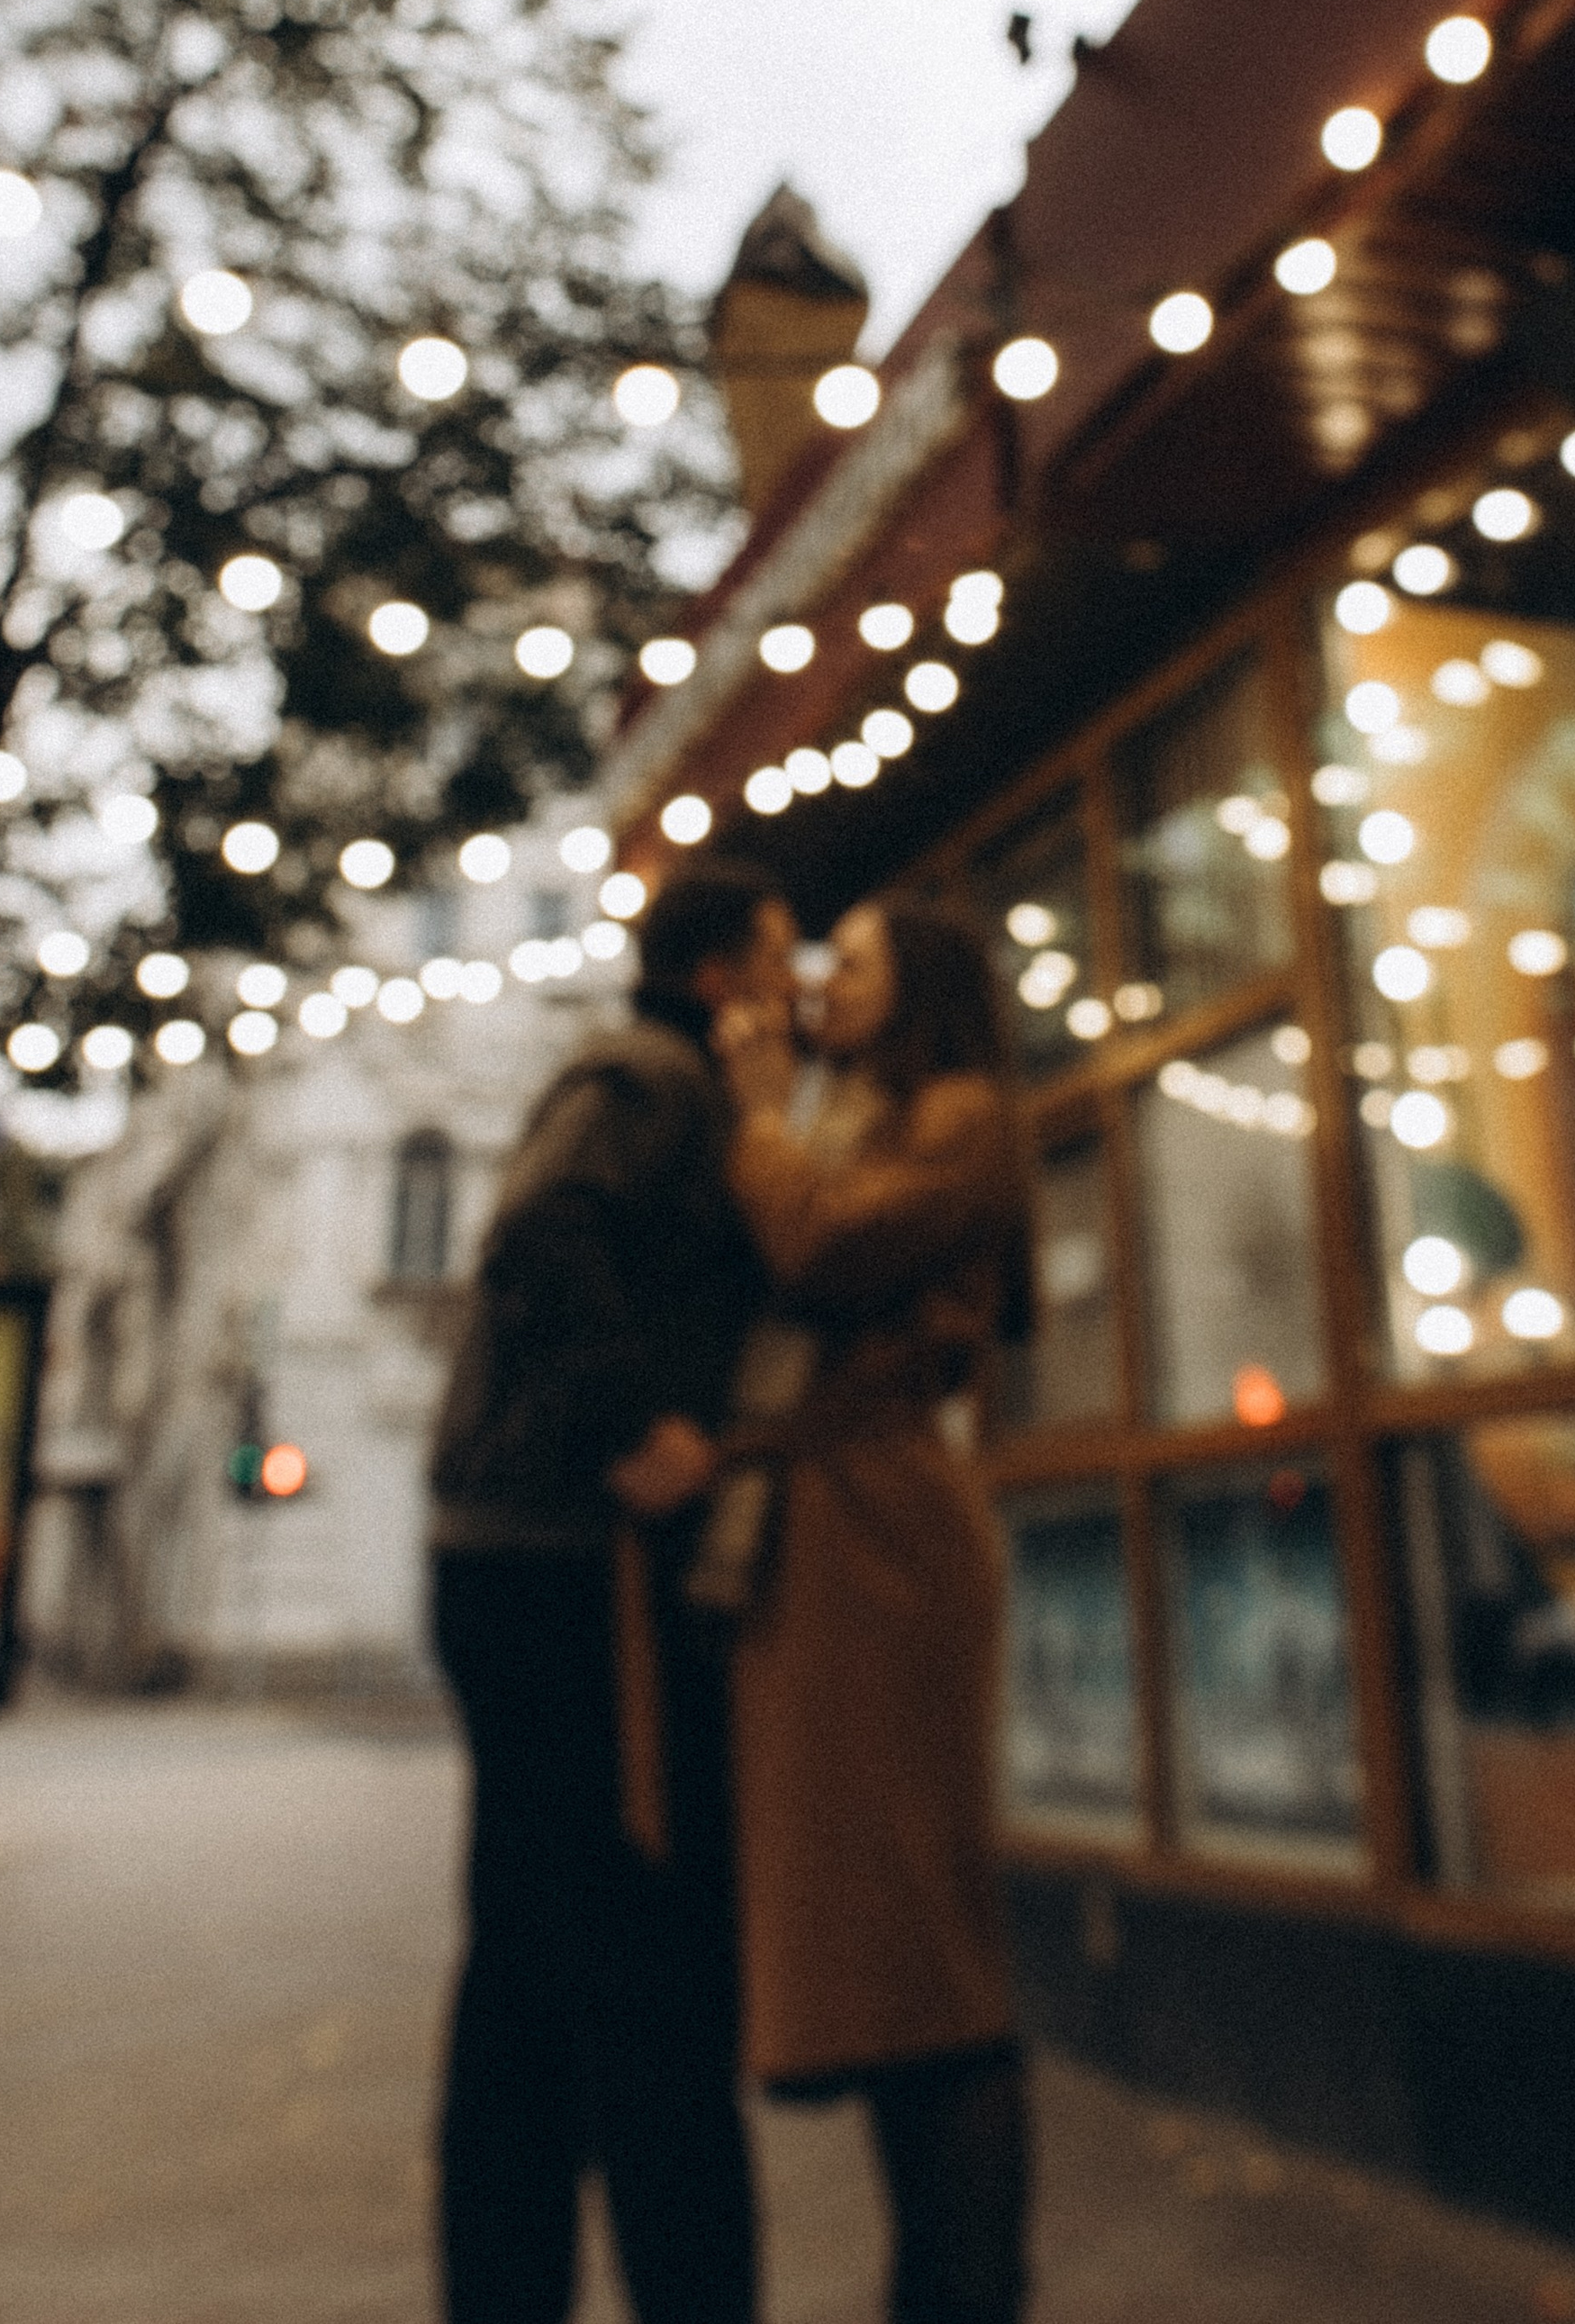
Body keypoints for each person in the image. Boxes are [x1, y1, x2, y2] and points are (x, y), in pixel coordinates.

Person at [426, 857, 794, 2324]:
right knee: (638, 1967)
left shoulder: (690, 1093)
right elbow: (538, 1231)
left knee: (532, 1962)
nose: (797, 989)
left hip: (529, 1558)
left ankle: (507, 2285)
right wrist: (633, 1423)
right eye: (778, 958)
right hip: (567, 1571)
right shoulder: (654, 1079)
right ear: (718, 977)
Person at [711, 895, 1036, 2324]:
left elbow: (824, 1247)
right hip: (831, 1531)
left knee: (922, 1953)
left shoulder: (961, 1114)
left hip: (884, 1538)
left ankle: (968, 2289)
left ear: (922, 986)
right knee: (883, 1953)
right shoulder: (865, 1110)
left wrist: (758, 1118)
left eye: (853, 960)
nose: (823, 980)